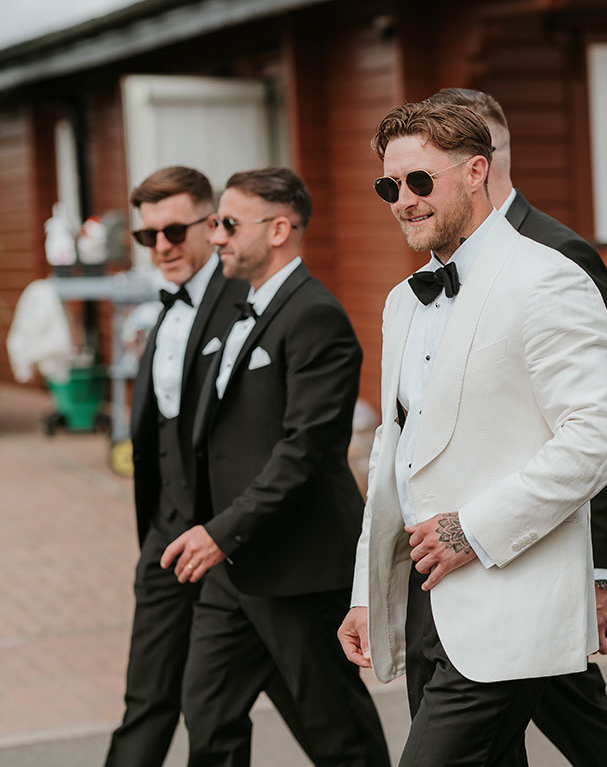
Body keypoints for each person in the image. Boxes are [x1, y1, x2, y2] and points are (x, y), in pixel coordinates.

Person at [338, 101, 607, 766]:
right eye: (389, 186)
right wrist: (366, 593)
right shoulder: (402, 301)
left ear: (476, 172)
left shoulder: (548, 279)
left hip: (509, 599)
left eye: (420, 181)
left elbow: (598, 436)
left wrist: (471, 530)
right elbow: (394, 457)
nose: (403, 201)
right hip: (426, 603)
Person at [424, 87, 607, 767]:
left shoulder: (558, 255)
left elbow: (599, 422)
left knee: (575, 720)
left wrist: (605, 568)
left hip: (535, 544)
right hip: (454, 557)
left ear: (486, 158)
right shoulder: (438, 262)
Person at [160, 167, 389, 767]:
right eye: (216, 223)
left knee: (337, 733)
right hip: (232, 570)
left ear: (279, 229)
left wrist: (221, 531)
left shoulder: (316, 315)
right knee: (208, 715)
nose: (215, 236)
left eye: (229, 224)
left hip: (296, 564)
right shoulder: (240, 309)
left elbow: (305, 449)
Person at [105, 165, 247, 767]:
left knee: (294, 708)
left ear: (210, 225)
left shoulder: (247, 301)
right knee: (146, 698)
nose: (161, 246)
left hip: (232, 542)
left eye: (174, 231)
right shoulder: (163, 311)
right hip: (165, 539)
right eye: (148, 236)